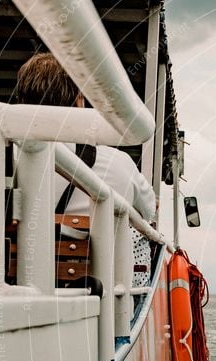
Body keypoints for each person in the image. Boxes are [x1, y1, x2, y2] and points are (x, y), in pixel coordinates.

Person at [14, 52, 156, 288]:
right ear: (79, 100)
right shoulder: (118, 162)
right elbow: (148, 212)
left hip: (7, 284)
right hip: (93, 295)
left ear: (21, 101)